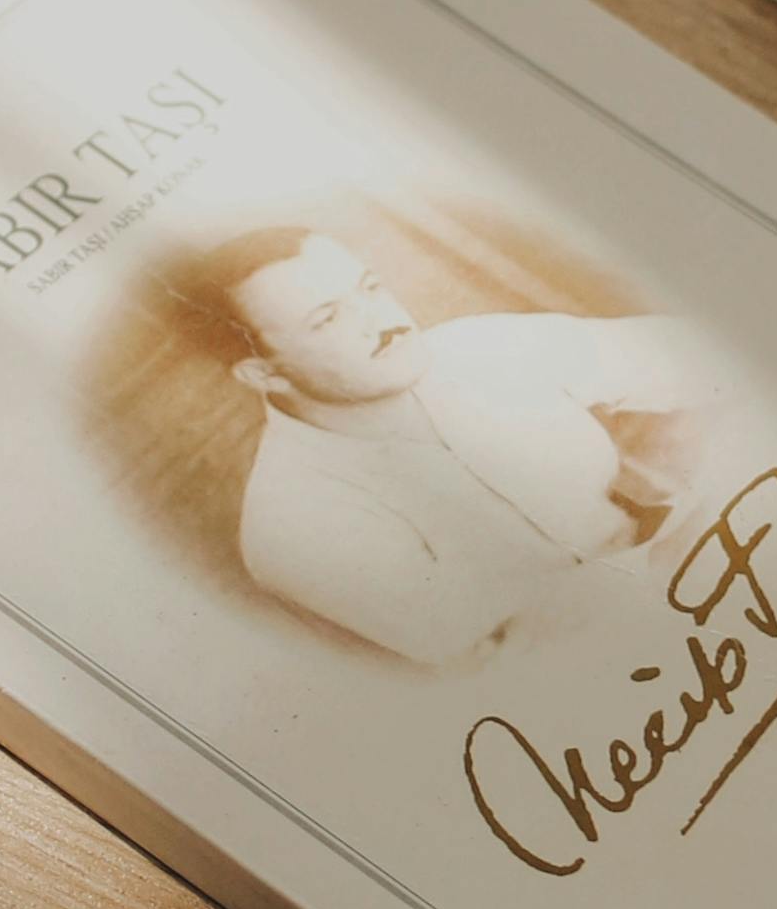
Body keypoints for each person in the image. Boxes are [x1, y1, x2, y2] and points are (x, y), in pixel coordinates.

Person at [151, 221, 718, 667]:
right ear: (263, 375)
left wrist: (696, 458)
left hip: (704, 568)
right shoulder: (291, 526)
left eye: (370, 288)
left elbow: (704, 358)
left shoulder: (481, 347)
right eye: (327, 320)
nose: (385, 321)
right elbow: (516, 657)